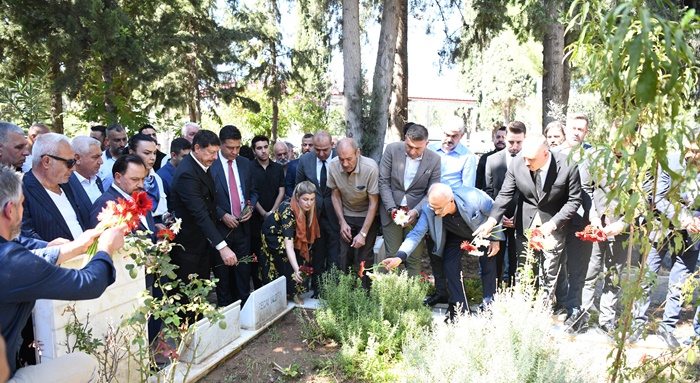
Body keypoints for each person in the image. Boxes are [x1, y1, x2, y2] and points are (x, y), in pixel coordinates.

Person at [0, 163, 125, 381]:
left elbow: (30, 260)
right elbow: (89, 283)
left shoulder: (10, 258)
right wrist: (106, 248)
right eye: (22, 205)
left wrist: (74, 247)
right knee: (84, 364)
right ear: (9, 210)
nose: (22, 210)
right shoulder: (10, 260)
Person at [475, 133, 582, 305]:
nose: (526, 163)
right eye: (525, 157)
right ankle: (523, 307)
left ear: (545, 154)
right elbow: (504, 195)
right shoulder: (518, 163)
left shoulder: (567, 165)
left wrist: (553, 224)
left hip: (554, 224)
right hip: (525, 223)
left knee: (549, 270)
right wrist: (491, 221)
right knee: (524, 268)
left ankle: (544, 310)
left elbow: (574, 200)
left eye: (531, 159)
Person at [382, 184, 502, 318]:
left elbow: (495, 211)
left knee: (488, 264)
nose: (436, 212)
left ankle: (489, 307)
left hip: (482, 231)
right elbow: (416, 234)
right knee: (449, 265)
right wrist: (399, 257)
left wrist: (495, 239)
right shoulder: (429, 209)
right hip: (455, 235)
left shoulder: (472, 197)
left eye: (439, 208)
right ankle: (460, 310)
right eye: (433, 207)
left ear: (451, 201)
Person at [628, 131, 700, 349]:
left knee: (680, 281)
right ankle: (636, 326)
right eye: (691, 149)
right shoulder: (668, 161)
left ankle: (667, 328)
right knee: (647, 276)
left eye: (697, 152)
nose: (692, 155)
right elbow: (657, 197)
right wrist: (683, 218)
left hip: (691, 234)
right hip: (661, 228)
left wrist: (696, 219)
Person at [169, 130, 235, 299]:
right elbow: (200, 213)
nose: (215, 157)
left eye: (216, 153)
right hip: (188, 247)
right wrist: (223, 247)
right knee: (188, 298)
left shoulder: (202, 166)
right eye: (211, 152)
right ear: (197, 148)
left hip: (201, 244)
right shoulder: (187, 173)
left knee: (200, 295)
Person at [424, 116, 478, 306]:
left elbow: (468, 191)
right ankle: (441, 292)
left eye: (454, 136)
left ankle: (457, 301)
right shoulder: (430, 151)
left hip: (454, 213)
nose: (449, 138)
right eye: (447, 134)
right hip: (432, 210)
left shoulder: (468, 157)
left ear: (461, 136)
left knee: (451, 259)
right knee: (435, 254)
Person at [378, 124, 441, 276]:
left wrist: (416, 211)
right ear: (405, 139)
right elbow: (383, 182)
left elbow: (432, 192)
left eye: (418, 148)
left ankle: (412, 298)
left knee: (413, 257)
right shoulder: (392, 150)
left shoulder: (434, 159)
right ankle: (390, 298)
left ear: (426, 143)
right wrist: (392, 209)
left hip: (416, 214)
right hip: (390, 209)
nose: (412, 152)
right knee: (391, 256)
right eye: (409, 146)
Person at [210, 125, 257, 306]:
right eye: (230, 148)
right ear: (221, 145)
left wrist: (249, 207)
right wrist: (222, 215)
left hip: (243, 227)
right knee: (223, 276)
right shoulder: (211, 165)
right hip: (221, 230)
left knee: (243, 274)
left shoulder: (245, 163)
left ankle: (244, 311)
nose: (235, 152)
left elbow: (253, 191)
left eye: (237, 147)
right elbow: (206, 198)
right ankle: (226, 314)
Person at [328, 138, 380, 288]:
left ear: (358, 153)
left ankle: (365, 293)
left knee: (364, 257)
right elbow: (335, 195)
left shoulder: (370, 168)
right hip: (347, 214)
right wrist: (342, 222)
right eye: (341, 159)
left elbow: (374, 202)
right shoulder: (333, 166)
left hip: (368, 215)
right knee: (343, 255)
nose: (345, 164)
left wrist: (363, 234)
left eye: (349, 159)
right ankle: (345, 290)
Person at [22, 133, 91, 241]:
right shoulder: (22, 191)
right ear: (46, 161)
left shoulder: (66, 184)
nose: (73, 168)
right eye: (69, 163)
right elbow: (25, 239)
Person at [296, 130, 339, 297]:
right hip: (313, 216)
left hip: (336, 214)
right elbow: (298, 187)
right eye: (317, 149)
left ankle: (334, 289)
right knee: (318, 253)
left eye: (325, 150)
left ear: (332, 146)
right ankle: (318, 289)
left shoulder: (339, 157)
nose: (321, 153)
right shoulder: (305, 160)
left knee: (334, 254)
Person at [483, 121, 526, 287]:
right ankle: (492, 295)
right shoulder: (492, 160)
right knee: (494, 258)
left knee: (519, 260)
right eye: (511, 142)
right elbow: (488, 191)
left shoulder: (529, 159)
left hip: (520, 218)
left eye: (519, 142)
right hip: (497, 220)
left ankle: (516, 295)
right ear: (505, 138)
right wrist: (498, 217)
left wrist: (518, 215)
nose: (514, 146)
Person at [261, 181, 320, 300]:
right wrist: (296, 270)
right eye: (305, 199)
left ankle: (295, 291)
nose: (309, 203)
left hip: (293, 234)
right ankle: (281, 294)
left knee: (301, 252)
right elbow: (289, 246)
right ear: (297, 197)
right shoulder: (288, 211)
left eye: (312, 199)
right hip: (274, 235)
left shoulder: (310, 207)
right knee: (285, 258)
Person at [250, 135, 286, 286]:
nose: (263, 151)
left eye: (265, 147)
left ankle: (276, 286)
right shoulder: (249, 168)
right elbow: (250, 194)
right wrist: (263, 213)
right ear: (254, 150)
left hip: (275, 219)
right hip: (255, 219)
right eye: (259, 148)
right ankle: (258, 287)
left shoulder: (277, 168)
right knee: (257, 254)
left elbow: (282, 190)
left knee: (276, 253)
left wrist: (272, 212)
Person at [124, 134, 168, 225]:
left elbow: (161, 210)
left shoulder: (157, 178)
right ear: (132, 153)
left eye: (154, 153)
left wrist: (166, 217)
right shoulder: (123, 180)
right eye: (147, 153)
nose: (152, 158)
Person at [69, 136, 104, 205]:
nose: (101, 162)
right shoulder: (67, 184)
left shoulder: (97, 180)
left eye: (101, 156)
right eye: (95, 157)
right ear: (77, 158)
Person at [475, 126, 506, 190]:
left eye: (504, 137)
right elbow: (478, 183)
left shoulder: (513, 159)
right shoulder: (485, 158)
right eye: (498, 137)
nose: (500, 140)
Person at [286, 133, 315, 197]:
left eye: (310, 145)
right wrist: (295, 199)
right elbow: (288, 187)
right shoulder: (292, 165)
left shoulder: (320, 163)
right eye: (305, 145)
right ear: (301, 146)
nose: (307, 148)